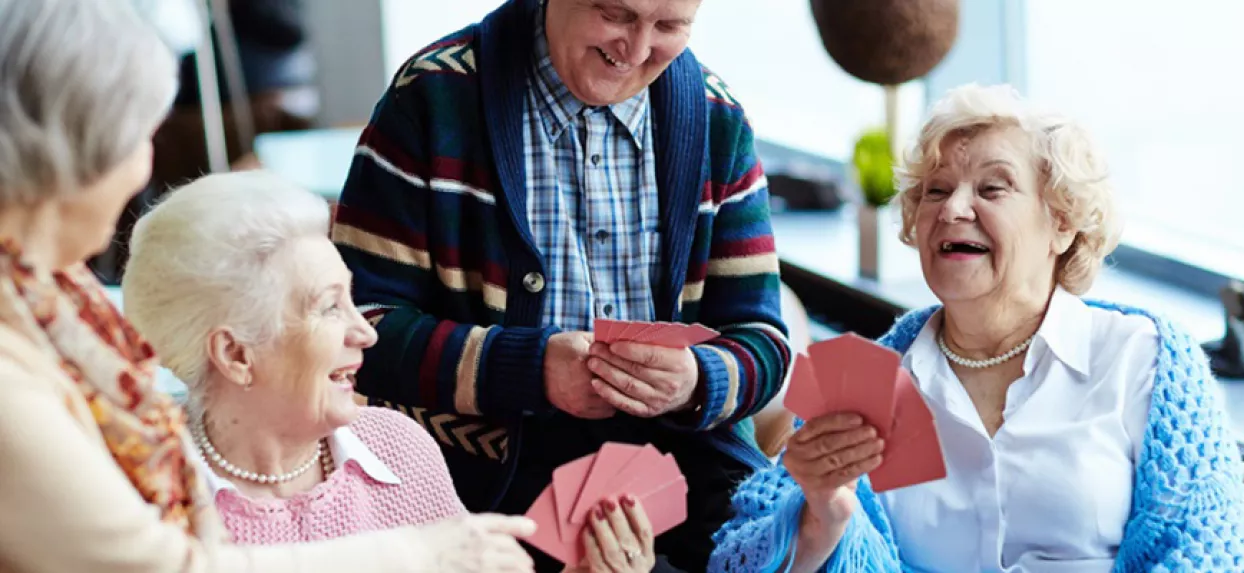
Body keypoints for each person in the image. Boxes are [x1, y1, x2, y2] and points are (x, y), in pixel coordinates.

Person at [0, 1, 536, 571]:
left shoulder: (46, 298)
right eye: (138, 136)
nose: (144, 165)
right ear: (71, 150)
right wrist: (414, 552)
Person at [709, 84, 1244, 572]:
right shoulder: (869, 383)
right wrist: (820, 513)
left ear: (1061, 225)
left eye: (992, 188)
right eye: (935, 190)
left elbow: (1211, 556)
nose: (952, 209)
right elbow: (746, 554)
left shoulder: (1150, 363)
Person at [331, 0, 791, 570]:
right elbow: (355, 328)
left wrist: (698, 378)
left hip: (691, 489)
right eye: (617, 14)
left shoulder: (717, 118)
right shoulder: (431, 98)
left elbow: (764, 339)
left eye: (669, 26)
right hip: (479, 498)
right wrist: (528, 369)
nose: (638, 49)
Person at [121, 171, 469, 542]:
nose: (366, 333)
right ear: (236, 354)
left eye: (351, 298)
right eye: (330, 307)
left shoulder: (398, 448)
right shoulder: (144, 501)